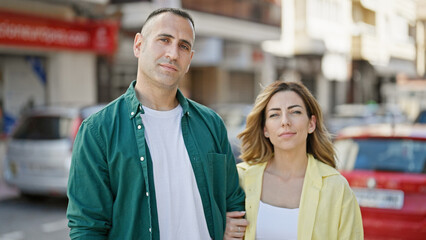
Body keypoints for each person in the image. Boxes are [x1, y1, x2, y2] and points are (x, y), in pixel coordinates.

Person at [66, 8, 245, 240]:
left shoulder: (212, 124)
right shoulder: (97, 131)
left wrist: (233, 226)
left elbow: (232, 199)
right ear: (138, 45)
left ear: (190, 59)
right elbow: (87, 227)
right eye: (164, 40)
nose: (172, 53)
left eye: (183, 46)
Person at [226, 81, 363, 239]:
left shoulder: (336, 188)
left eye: (295, 112)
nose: (285, 121)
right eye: (274, 115)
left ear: (311, 124)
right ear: (265, 129)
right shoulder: (240, 179)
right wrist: (222, 229)